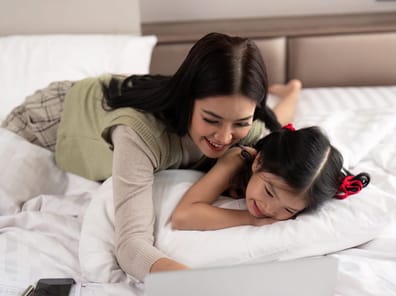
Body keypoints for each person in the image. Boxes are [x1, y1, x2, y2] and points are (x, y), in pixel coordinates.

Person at [1, 32, 302, 281]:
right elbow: (131, 246)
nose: (224, 138)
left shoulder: (245, 128)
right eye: (211, 120)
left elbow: (273, 131)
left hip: (133, 94)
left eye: (239, 123)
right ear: (189, 101)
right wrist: (201, 287)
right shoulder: (139, 134)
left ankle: (293, 91)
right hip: (53, 116)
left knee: (272, 123)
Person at [171, 124, 370, 230]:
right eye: (269, 192)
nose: (269, 209)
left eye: (289, 209)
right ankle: (292, 90)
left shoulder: (302, 190)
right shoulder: (238, 160)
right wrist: (249, 219)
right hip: (251, 134)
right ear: (258, 162)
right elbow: (183, 217)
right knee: (274, 118)